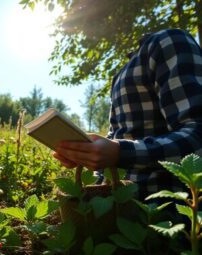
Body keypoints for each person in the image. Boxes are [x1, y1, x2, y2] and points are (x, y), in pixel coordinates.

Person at [52, 28, 202, 201]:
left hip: (160, 206)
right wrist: (87, 153)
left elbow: (197, 133)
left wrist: (120, 152)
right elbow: (116, 134)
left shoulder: (168, 41)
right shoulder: (121, 75)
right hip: (111, 200)